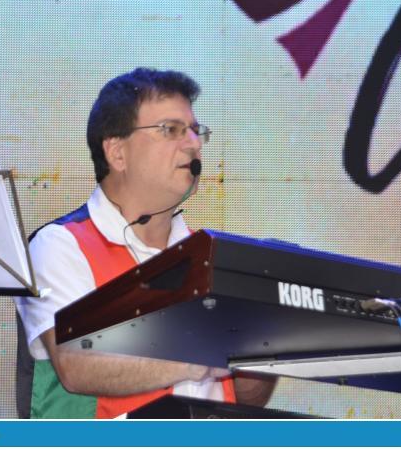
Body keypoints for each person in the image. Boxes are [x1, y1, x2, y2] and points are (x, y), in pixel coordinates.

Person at [14, 68, 275, 418]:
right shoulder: (59, 246)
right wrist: (203, 355)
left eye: (195, 131)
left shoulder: (210, 256)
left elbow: (247, 397)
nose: (194, 144)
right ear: (117, 153)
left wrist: (265, 343)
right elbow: (76, 365)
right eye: (171, 130)